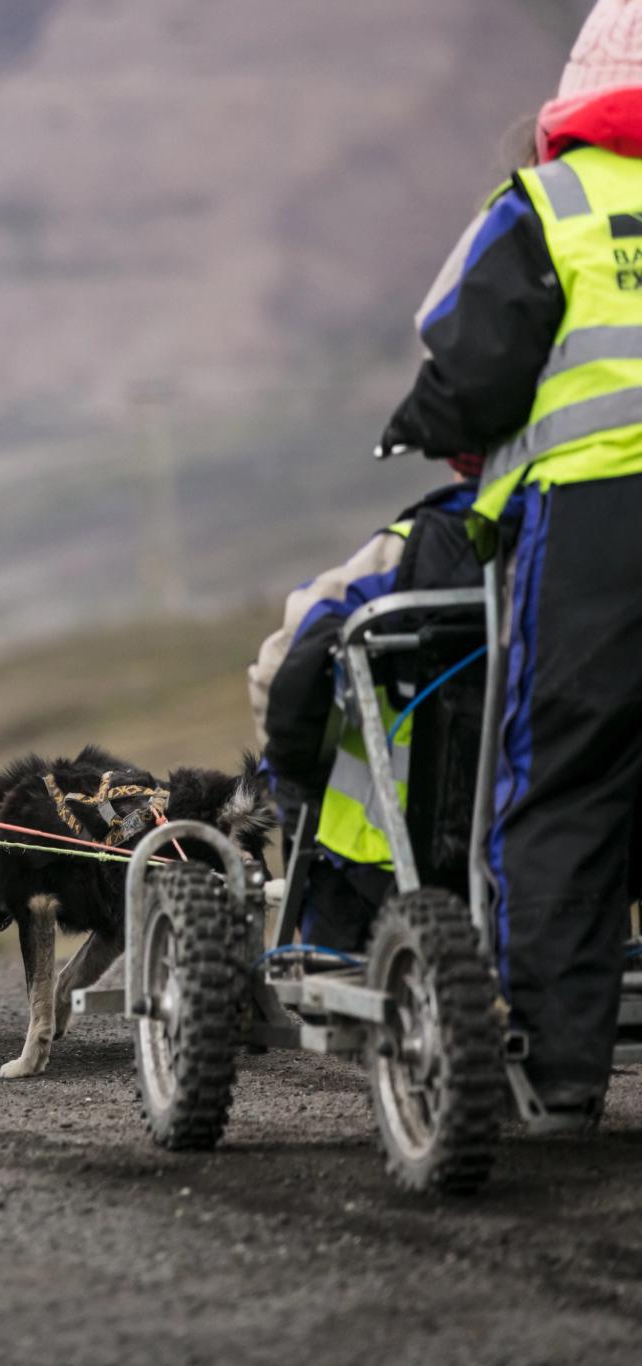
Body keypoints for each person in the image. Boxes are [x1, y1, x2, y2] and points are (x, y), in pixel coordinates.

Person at [375, 0, 642, 1123]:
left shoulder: (550, 203)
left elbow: (472, 374)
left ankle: (563, 1069)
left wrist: (416, 423)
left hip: (596, 528)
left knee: (561, 783)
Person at [248, 481, 487, 951]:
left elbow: (282, 668)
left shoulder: (411, 549)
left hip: (383, 868)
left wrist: (286, 781)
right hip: (577, 862)